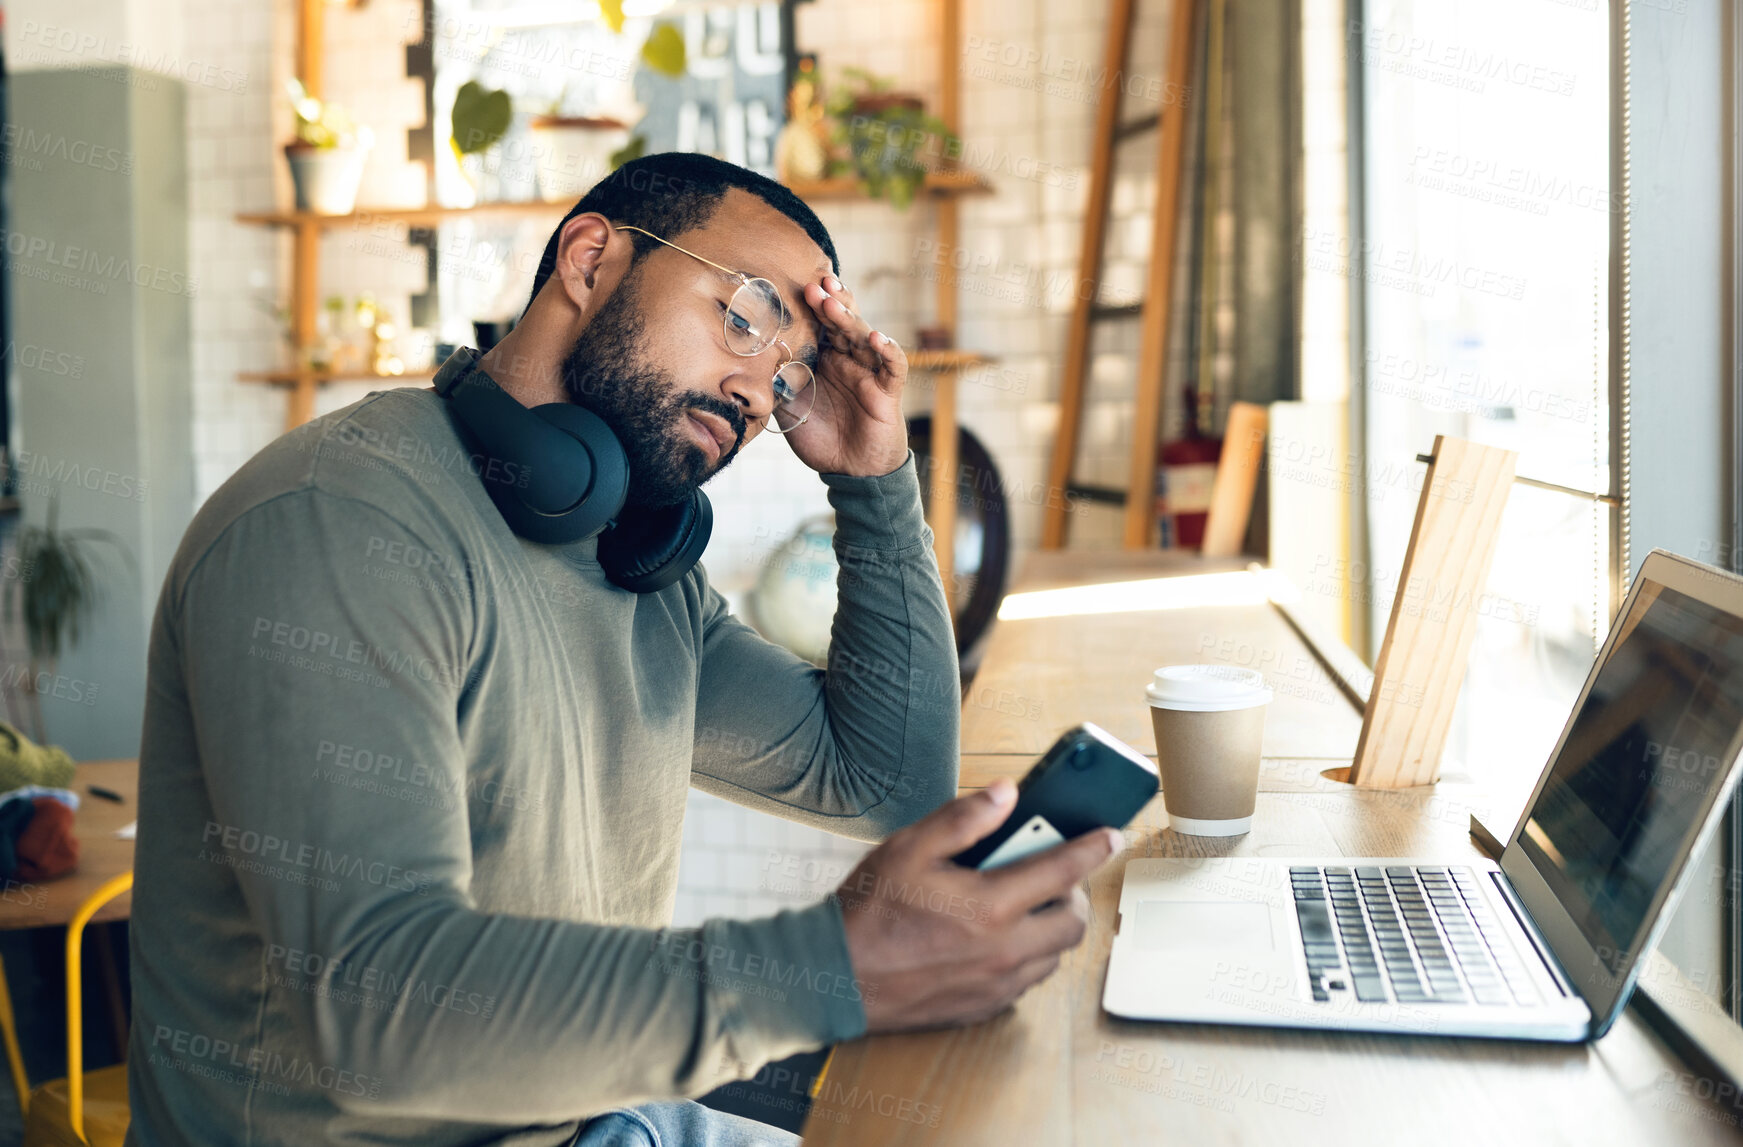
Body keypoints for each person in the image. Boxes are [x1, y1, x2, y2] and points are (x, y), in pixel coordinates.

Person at [124, 152, 1118, 1146]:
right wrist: (825, 968)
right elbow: (382, 1023)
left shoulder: (638, 571)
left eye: (788, 374)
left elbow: (885, 780)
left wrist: (875, 479)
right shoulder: (339, 525)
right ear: (591, 259)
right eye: (743, 314)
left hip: (594, 1118)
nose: (756, 391)